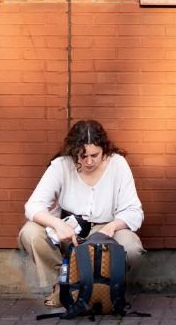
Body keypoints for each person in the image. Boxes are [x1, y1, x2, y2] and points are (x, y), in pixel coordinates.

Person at [18, 119, 146, 306]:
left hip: (105, 228)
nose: (88, 161)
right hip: (69, 229)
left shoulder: (118, 164)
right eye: (81, 155)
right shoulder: (61, 165)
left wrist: (113, 226)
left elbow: (134, 211)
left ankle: (99, 287)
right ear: (73, 151)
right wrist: (57, 224)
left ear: (104, 149)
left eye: (95, 155)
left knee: (131, 247)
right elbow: (33, 206)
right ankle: (64, 284)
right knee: (30, 232)